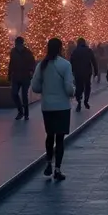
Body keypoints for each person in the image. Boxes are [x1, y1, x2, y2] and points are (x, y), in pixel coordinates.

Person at [30, 38, 75, 181]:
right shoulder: (65, 65)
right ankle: (58, 169)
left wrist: (46, 89)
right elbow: (69, 88)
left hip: (47, 106)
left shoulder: (42, 65)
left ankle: (48, 162)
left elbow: (35, 87)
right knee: (60, 138)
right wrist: (73, 91)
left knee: (50, 135)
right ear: (61, 48)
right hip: (62, 106)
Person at [8, 36, 36, 121]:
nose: (17, 46)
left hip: (25, 77)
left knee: (24, 96)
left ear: (22, 44)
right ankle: (20, 111)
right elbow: (11, 63)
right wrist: (9, 74)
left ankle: (26, 113)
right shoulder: (13, 52)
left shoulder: (28, 52)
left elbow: (32, 63)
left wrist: (31, 71)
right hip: (16, 76)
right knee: (14, 93)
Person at [70, 37, 99, 112]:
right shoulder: (89, 50)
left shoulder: (75, 51)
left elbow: (71, 62)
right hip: (87, 72)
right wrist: (96, 71)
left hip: (78, 72)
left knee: (79, 87)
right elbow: (93, 61)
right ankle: (86, 100)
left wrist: (71, 71)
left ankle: (79, 102)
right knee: (87, 86)